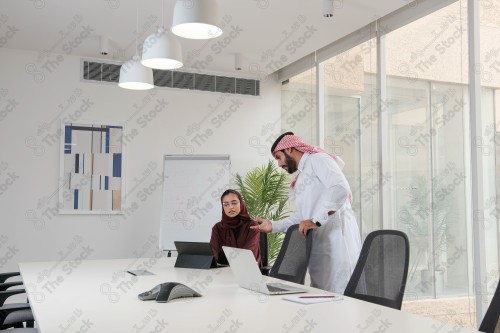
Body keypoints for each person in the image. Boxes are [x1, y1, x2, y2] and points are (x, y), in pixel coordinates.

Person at [251, 132, 361, 293]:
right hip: (319, 244)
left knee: (338, 294)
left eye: (278, 157)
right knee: (321, 293)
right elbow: (300, 217)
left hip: (337, 242)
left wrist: (316, 220)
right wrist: (272, 225)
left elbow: (340, 188)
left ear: (288, 149)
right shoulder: (302, 176)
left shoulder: (318, 160)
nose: (279, 164)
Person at [210, 189, 262, 266]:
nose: (230, 207)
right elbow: (213, 253)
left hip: (248, 270)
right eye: (226, 204)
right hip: (223, 271)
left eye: (234, 203)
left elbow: (248, 254)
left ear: (241, 203)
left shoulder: (253, 226)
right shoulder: (217, 228)